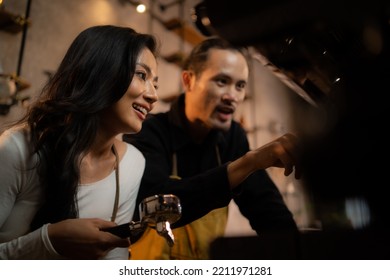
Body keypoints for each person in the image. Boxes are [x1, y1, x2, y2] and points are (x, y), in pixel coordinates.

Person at [123, 37, 302, 260]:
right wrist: (248, 163)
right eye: (221, 81)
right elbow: (153, 205)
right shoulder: (150, 131)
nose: (232, 97)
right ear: (188, 80)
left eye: (240, 86)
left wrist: (298, 255)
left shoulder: (233, 137)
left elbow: (266, 207)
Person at [0, 25, 159, 259]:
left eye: (156, 84)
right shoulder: (17, 148)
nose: (153, 95)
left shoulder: (133, 163)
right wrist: (49, 240)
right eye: (142, 75)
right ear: (99, 71)